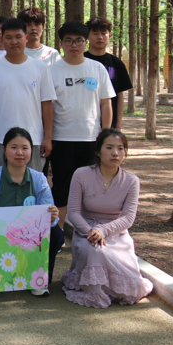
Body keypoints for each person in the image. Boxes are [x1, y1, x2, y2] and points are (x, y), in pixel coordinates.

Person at [61, 129, 153, 308]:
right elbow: (73, 212)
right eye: (109, 147)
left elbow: (128, 218)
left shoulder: (131, 181)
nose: (115, 153)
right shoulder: (81, 174)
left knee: (132, 290)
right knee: (95, 251)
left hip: (116, 233)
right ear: (98, 151)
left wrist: (103, 230)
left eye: (120, 148)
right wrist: (91, 232)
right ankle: (94, 291)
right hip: (86, 231)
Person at [0, 127, 63, 296]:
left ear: (31, 151)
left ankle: (38, 279)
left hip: (29, 236)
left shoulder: (39, 179)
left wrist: (53, 216)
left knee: (56, 233)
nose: (20, 152)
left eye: (25, 148)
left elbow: (50, 217)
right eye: (14, 147)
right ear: (4, 150)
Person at [49, 21, 115, 227]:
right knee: (61, 187)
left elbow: (106, 103)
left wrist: (105, 136)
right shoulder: (51, 70)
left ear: (86, 43)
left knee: (90, 188)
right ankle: (59, 234)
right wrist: (48, 137)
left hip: (91, 138)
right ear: (61, 43)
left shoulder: (97, 68)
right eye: (68, 41)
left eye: (78, 40)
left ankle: (87, 233)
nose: (74, 45)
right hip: (61, 138)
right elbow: (48, 107)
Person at [0, 18, 56, 171]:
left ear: (26, 38)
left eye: (18, 37)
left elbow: (47, 105)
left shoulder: (41, 68)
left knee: (32, 182)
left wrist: (48, 138)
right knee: (1, 182)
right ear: (2, 39)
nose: (14, 42)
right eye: (9, 37)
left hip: (34, 139)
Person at [85, 18, 133, 130]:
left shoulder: (116, 63)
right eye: (95, 33)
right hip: (85, 123)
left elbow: (120, 96)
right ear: (88, 36)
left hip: (110, 124)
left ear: (109, 35)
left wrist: (118, 125)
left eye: (103, 33)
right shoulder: (81, 61)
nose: (100, 37)